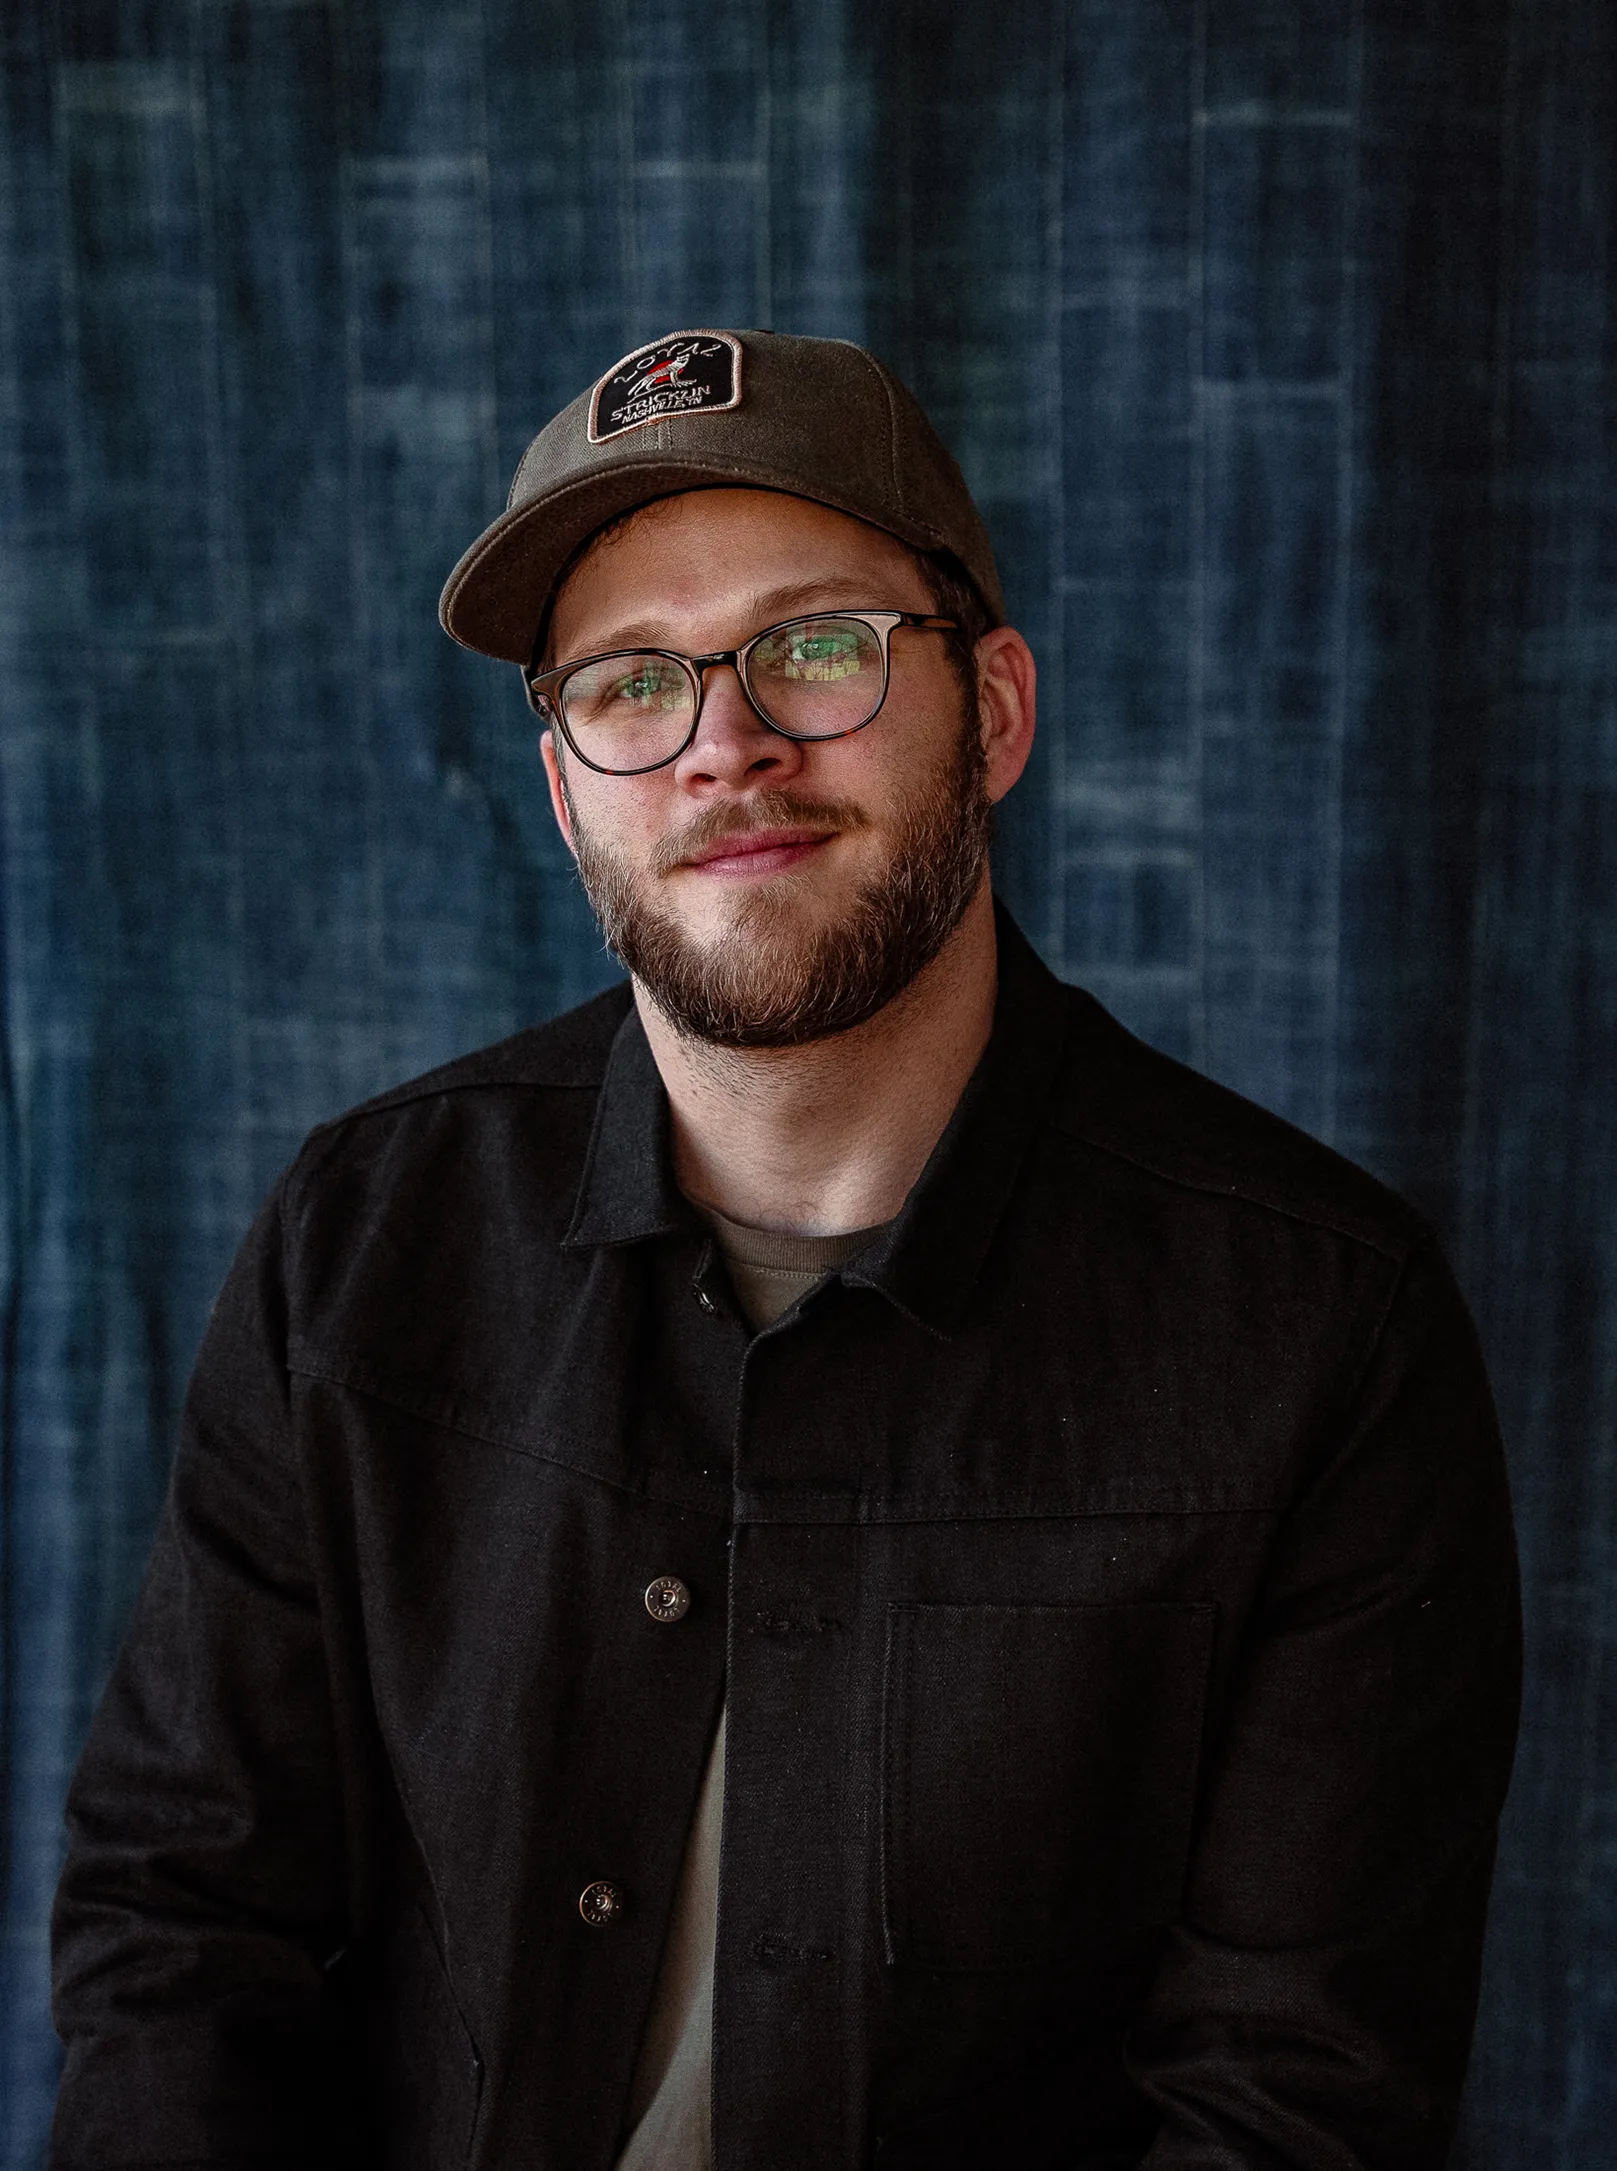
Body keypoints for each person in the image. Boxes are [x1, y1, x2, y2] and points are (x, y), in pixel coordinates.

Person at [50, 328, 1521, 2171]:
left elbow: (1294, 2103)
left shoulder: (1328, 1334)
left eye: (816, 647)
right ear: (567, 785)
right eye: (630, 682)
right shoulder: (356, 1252)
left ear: (992, 710)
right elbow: (184, 1933)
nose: (722, 744)